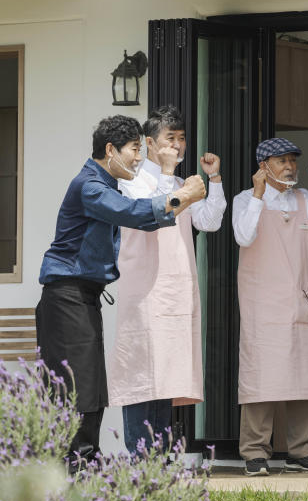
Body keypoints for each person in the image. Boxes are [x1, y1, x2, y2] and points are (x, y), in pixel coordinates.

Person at [36, 115, 206, 464]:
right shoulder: (90, 186)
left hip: (83, 297)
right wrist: (182, 196)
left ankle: (87, 464)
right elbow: (134, 213)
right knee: (77, 387)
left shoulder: (106, 184)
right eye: (133, 150)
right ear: (110, 149)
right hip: (65, 296)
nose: (138, 158)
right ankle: (75, 468)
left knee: (94, 387)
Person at [108, 106, 227, 455]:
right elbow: (156, 212)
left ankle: (158, 460)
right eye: (169, 139)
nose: (177, 146)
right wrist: (168, 173)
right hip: (144, 290)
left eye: (181, 139)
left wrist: (214, 181)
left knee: (167, 375)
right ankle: (139, 458)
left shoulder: (180, 183)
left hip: (176, 291)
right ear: (149, 142)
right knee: (141, 373)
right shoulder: (131, 181)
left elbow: (210, 221)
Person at [232, 137, 308, 476]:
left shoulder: (305, 199)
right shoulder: (245, 199)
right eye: (282, 161)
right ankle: (254, 453)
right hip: (261, 306)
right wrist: (256, 195)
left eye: (292, 161)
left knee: (304, 379)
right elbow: (243, 235)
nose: (290, 166)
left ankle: (302, 451)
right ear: (263, 166)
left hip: (299, 303)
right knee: (261, 380)